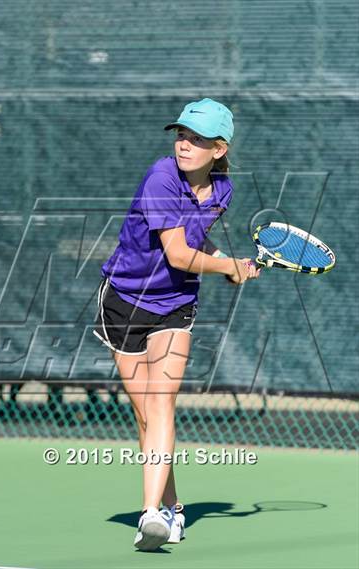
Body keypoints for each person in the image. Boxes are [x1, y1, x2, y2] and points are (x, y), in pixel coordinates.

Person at [93, 98, 260, 551]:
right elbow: (180, 255)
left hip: (175, 305)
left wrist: (225, 262)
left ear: (219, 149)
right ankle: (174, 508)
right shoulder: (161, 177)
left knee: (162, 403)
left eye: (198, 139)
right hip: (125, 300)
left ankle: (150, 515)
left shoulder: (222, 190)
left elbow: (194, 242)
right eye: (181, 135)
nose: (185, 144)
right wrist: (228, 267)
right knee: (146, 414)